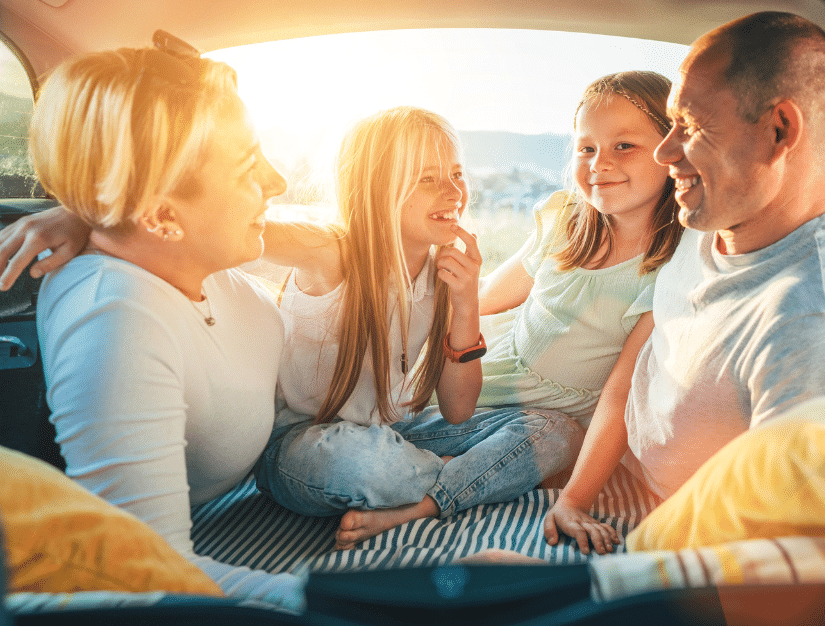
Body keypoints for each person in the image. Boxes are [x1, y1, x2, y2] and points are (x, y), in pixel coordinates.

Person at [544, 11, 825, 554]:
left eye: (691, 126)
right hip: (618, 480)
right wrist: (574, 500)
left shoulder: (811, 324)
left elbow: (781, 551)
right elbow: (634, 373)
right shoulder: (710, 226)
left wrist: (595, 581)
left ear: (779, 130)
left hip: (693, 541)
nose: (665, 153)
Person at [0, 43, 304, 610]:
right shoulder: (114, 323)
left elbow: (332, 248)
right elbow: (156, 579)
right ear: (162, 215)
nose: (279, 181)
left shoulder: (191, 256)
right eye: (248, 167)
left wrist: (86, 214)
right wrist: (381, 605)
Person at [252, 106, 584, 549]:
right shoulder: (333, 251)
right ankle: (444, 476)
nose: (454, 192)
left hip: (394, 431)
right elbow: (246, 228)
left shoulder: (440, 273)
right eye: (428, 178)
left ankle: (419, 503)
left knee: (557, 432)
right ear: (377, 186)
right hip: (304, 447)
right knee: (367, 466)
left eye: (457, 174)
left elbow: (458, 410)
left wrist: (465, 303)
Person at [476, 71, 686, 428]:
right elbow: (485, 296)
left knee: (544, 436)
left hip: (543, 423)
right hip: (487, 385)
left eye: (624, 146)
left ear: (672, 150)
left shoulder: (668, 270)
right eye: (586, 148)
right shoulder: (564, 222)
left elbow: (620, 394)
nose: (599, 163)